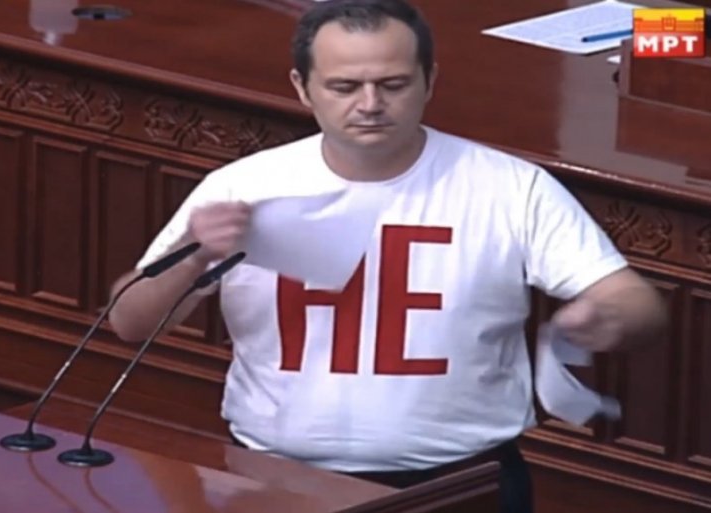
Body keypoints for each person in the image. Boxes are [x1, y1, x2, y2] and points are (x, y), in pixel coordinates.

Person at [107, 1, 667, 511]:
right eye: (345, 86)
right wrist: (192, 256)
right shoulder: (242, 187)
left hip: (460, 484)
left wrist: (607, 315)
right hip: (273, 481)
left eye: (393, 84)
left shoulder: (511, 187)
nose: (370, 105)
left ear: (430, 81)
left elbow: (635, 302)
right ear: (303, 87)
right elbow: (128, 322)